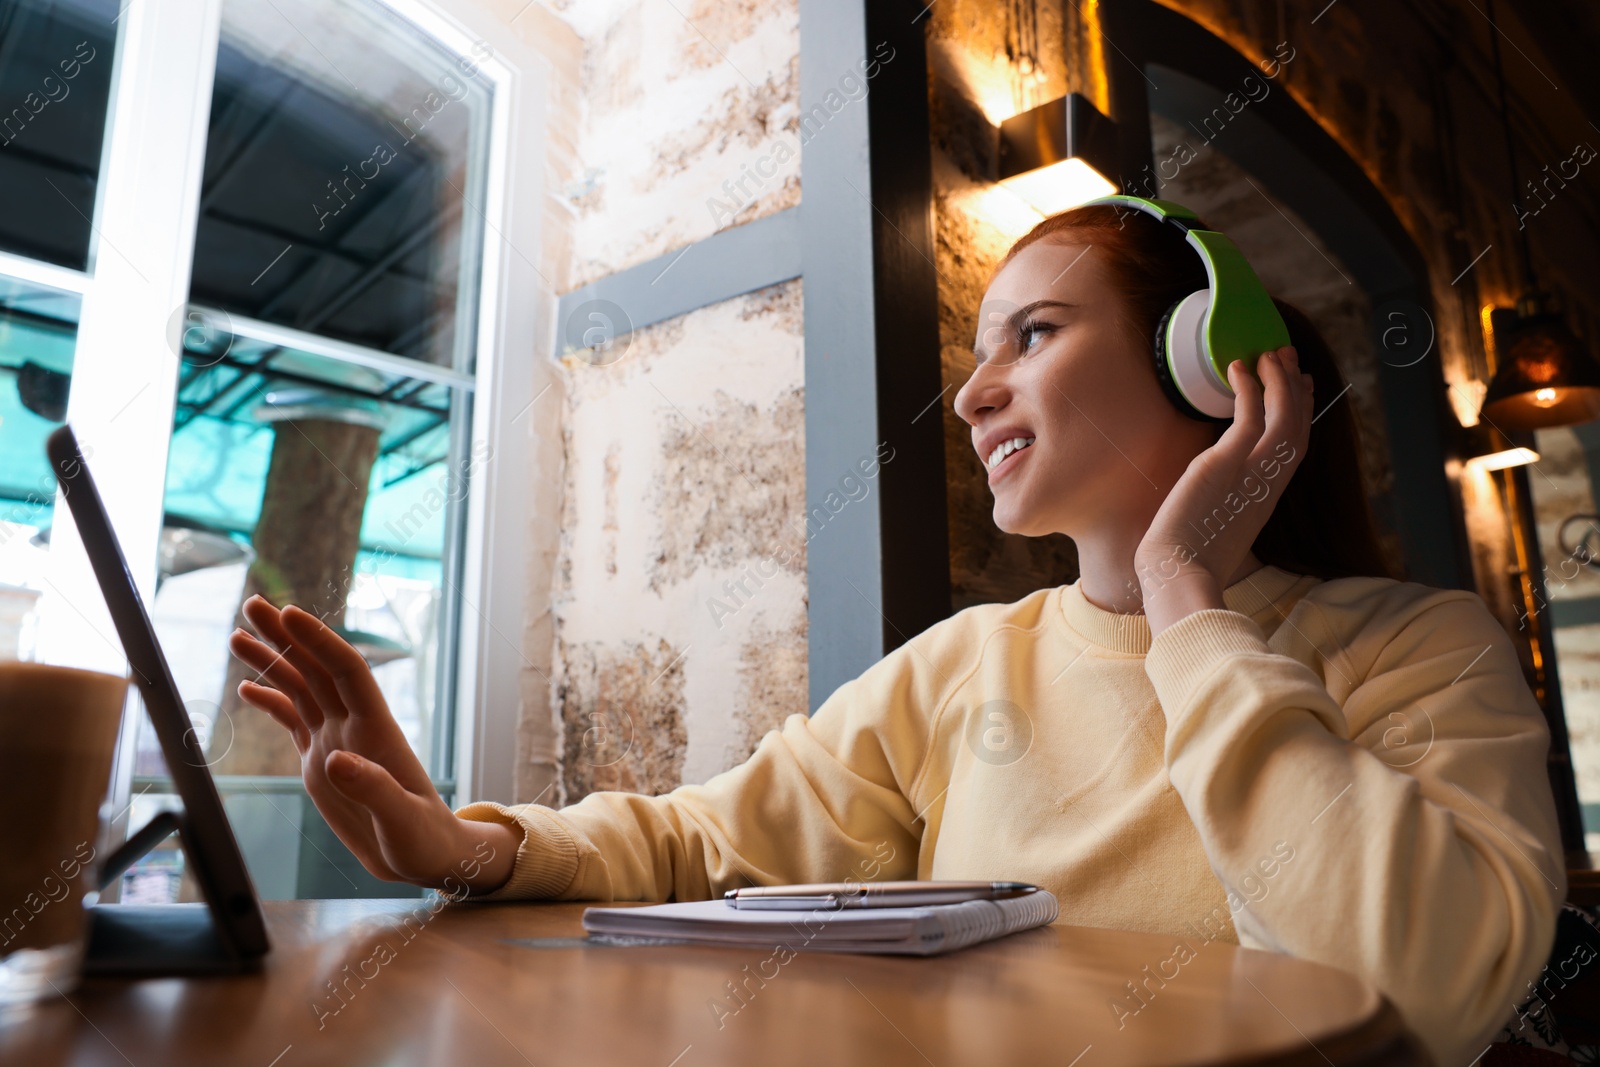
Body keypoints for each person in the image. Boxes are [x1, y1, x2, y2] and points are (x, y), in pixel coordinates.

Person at [227, 202, 1568, 1065]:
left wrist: (1181, 592)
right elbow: (707, 842)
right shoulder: (965, 668)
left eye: (1031, 335)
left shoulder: (1421, 649)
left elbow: (1417, 989)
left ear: (1206, 361)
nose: (976, 392)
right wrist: (473, 843)